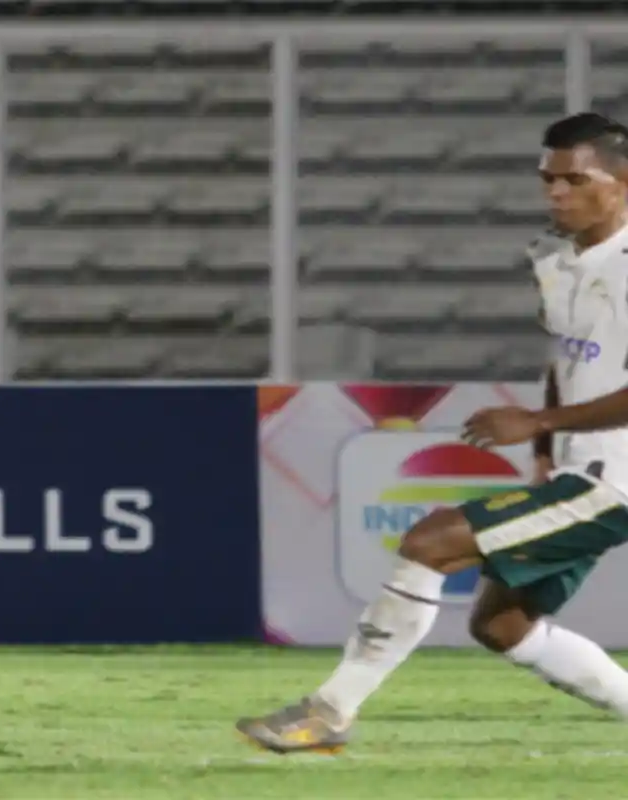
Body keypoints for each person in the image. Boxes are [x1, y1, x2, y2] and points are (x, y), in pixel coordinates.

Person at [237, 111, 628, 754]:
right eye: (547, 179)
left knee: (430, 541)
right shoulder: (555, 260)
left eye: (573, 180)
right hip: (574, 470)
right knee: (503, 626)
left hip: (614, 481)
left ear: (618, 182)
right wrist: (542, 449)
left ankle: (329, 711)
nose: (555, 193)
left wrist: (539, 421)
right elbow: (568, 360)